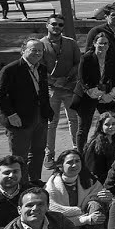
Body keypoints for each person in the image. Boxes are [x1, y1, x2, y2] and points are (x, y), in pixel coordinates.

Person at [0, 38, 54, 183]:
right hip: (19, 119)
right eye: (33, 50)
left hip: (40, 117)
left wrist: (48, 111)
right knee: (20, 156)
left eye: (40, 50)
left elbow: (43, 92)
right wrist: (11, 115)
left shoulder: (41, 68)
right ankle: (21, 184)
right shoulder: (10, 69)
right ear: (23, 50)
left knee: (38, 151)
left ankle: (34, 180)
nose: (37, 53)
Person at [40, 14, 82, 168]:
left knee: (74, 119)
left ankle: (77, 149)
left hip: (70, 88)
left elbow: (79, 62)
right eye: (54, 24)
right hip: (51, 90)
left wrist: (68, 78)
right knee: (52, 122)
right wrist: (54, 81)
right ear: (47, 25)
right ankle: (49, 153)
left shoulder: (70, 43)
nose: (56, 27)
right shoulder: (41, 44)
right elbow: (38, 67)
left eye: (60, 25)